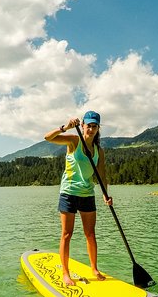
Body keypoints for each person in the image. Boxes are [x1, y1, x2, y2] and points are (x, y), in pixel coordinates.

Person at [44, 110, 113, 286]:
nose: (91, 129)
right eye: (88, 125)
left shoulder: (99, 151)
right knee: (67, 234)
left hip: (87, 194)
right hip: (68, 193)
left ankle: (94, 268)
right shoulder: (74, 141)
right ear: (82, 126)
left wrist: (106, 194)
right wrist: (65, 127)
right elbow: (48, 138)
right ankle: (65, 273)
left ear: (98, 128)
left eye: (94, 126)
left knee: (90, 234)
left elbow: (102, 175)